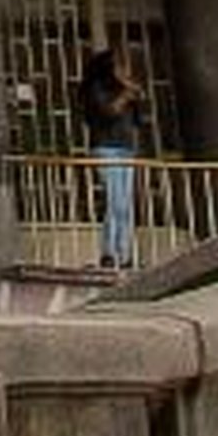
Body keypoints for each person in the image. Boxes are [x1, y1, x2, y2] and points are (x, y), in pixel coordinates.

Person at [76, 38, 142, 272]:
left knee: (125, 203)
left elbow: (136, 121)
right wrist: (125, 95)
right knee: (113, 201)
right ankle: (108, 252)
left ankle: (125, 254)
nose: (123, 71)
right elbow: (107, 112)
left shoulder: (124, 91)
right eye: (118, 65)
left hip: (125, 148)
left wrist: (134, 97)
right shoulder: (97, 88)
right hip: (106, 147)